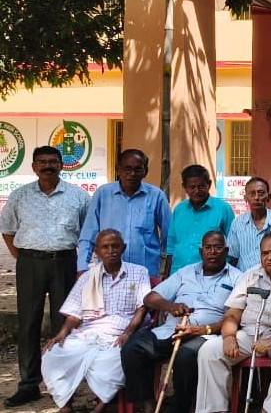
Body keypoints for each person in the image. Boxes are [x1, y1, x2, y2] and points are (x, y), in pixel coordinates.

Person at [0, 145, 89, 407]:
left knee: (64, 323)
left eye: (53, 161)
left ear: (62, 165)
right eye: (42, 162)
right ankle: (29, 385)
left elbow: (87, 234)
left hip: (65, 263)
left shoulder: (78, 197)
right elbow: (7, 230)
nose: (47, 166)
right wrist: (23, 258)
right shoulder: (20, 196)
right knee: (28, 323)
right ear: (34, 166)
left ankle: (63, 385)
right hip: (30, 263)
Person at [121, 231, 242, 413]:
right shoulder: (186, 272)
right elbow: (150, 298)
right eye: (208, 248)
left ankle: (181, 407)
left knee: (185, 356)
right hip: (171, 330)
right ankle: (147, 403)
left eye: (218, 248)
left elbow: (235, 317)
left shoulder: (237, 278)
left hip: (206, 335)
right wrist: (170, 306)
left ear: (226, 251)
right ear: (201, 251)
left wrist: (202, 330)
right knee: (133, 347)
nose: (212, 252)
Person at [196, 232, 271, 413]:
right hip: (251, 333)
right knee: (209, 351)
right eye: (265, 253)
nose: (270, 258)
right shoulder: (250, 275)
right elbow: (233, 313)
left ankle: (269, 410)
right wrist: (228, 337)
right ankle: (214, 410)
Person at [42, 229, 151, 413]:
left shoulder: (139, 272)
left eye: (115, 246)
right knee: (53, 355)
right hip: (89, 332)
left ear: (123, 248)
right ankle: (65, 405)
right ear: (96, 251)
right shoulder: (87, 277)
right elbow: (74, 313)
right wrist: (61, 334)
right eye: (105, 247)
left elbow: (143, 307)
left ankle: (101, 404)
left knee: (112, 361)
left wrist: (128, 333)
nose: (111, 251)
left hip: (121, 333)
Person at [79, 148, 171, 277]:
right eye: (127, 169)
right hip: (109, 271)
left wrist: (166, 268)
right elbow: (88, 235)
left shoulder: (156, 196)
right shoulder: (103, 194)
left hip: (145, 271)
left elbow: (169, 235)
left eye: (138, 169)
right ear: (118, 170)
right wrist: (82, 268)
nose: (132, 174)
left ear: (145, 172)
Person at [165, 164, 235, 276]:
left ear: (209, 184)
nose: (197, 191)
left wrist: (223, 274)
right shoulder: (179, 210)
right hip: (178, 273)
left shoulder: (223, 209)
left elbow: (232, 245)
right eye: (192, 187)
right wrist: (166, 274)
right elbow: (171, 245)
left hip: (210, 275)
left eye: (201, 186)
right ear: (184, 187)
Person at [227, 177, 271, 271]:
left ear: (268, 197)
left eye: (261, 193)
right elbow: (233, 257)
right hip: (245, 277)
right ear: (245, 198)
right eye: (252, 193)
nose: (256, 197)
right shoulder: (238, 223)